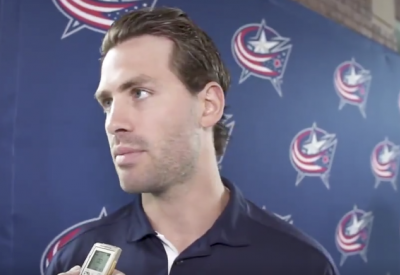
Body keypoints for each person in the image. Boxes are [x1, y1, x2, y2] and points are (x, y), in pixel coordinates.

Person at [46, 7, 340, 275]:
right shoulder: (76, 258)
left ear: (208, 105)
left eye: (139, 93)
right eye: (108, 103)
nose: (113, 123)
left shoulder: (301, 264)